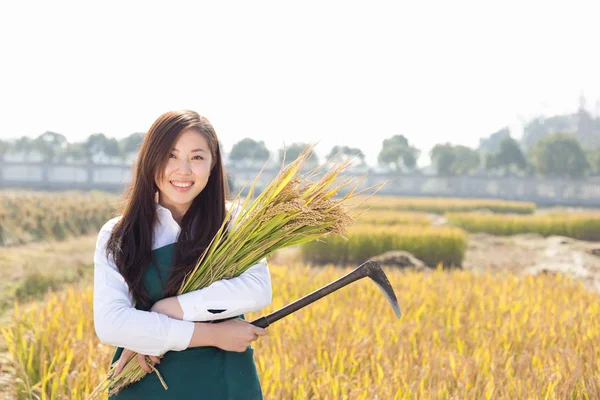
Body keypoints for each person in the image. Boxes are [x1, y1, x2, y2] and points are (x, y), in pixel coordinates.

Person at [93, 110, 272, 399]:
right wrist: (213, 335)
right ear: (151, 161)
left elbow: (257, 290)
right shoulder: (119, 234)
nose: (183, 169)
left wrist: (169, 309)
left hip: (225, 381)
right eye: (170, 155)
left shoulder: (234, 222)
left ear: (213, 165)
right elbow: (111, 324)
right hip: (147, 380)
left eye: (197, 157)